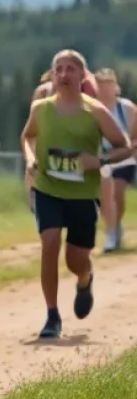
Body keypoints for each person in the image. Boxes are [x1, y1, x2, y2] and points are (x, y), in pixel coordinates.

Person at [22, 49, 130, 340]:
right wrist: (31, 159)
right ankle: (52, 315)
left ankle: (85, 278)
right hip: (48, 187)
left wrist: (100, 161)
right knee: (49, 241)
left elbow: (125, 146)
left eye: (70, 69)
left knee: (75, 259)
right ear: (53, 75)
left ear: (83, 76)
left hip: (83, 193)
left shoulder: (95, 111)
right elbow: (28, 136)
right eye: (58, 69)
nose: (63, 74)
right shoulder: (41, 108)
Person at [94, 68, 136, 252]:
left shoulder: (126, 109)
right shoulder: (91, 110)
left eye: (108, 85)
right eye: (100, 86)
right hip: (101, 158)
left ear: (116, 88)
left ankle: (113, 231)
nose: (104, 91)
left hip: (126, 156)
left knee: (117, 189)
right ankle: (113, 229)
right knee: (103, 197)